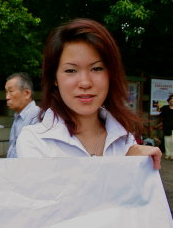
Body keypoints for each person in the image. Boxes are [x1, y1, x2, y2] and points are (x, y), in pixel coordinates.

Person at [16, 18, 161, 169]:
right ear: (54, 78)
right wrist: (125, 168)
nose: (85, 83)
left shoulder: (124, 137)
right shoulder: (35, 141)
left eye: (97, 68)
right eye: (70, 70)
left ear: (110, 74)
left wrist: (138, 163)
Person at [5, 72, 40, 158]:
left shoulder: (37, 116)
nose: (7, 97)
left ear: (27, 93)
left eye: (11, 91)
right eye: (6, 92)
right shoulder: (18, 116)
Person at [158, 94, 173, 160]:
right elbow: (159, 111)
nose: (172, 101)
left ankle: (172, 155)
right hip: (167, 127)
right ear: (168, 101)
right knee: (167, 141)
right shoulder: (165, 108)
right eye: (171, 100)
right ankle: (167, 154)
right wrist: (158, 107)